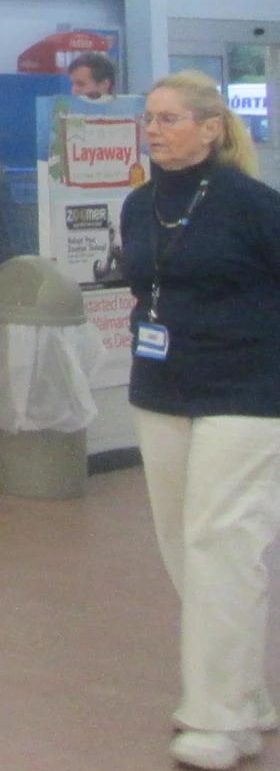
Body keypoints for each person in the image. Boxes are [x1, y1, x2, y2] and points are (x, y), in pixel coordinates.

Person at [122, 71, 280, 771]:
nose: (154, 129)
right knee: (185, 548)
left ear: (212, 128)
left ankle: (216, 719)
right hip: (162, 387)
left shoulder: (252, 204)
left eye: (170, 118)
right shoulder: (138, 204)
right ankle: (244, 696)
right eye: (149, 118)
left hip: (246, 391)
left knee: (222, 541)